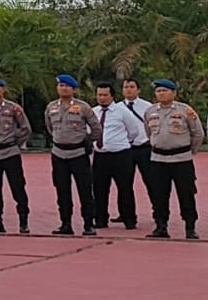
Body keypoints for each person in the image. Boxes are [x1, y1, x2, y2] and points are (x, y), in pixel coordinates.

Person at [142, 79, 204, 239]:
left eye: (165, 90)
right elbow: (149, 133)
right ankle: (161, 226)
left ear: (174, 92)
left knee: (186, 194)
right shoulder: (150, 111)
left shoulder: (185, 110)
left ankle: (190, 227)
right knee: (159, 195)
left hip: (181, 159)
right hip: (158, 159)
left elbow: (198, 134)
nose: (161, 93)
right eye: (158, 91)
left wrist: (190, 151)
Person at [44, 74, 102, 236]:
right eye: (61, 85)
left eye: (67, 86)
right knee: (62, 190)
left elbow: (96, 128)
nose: (63, 88)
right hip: (59, 153)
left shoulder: (83, 107)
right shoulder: (51, 107)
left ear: (74, 89)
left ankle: (88, 224)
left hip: (78, 153)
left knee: (84, 190)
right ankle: (65, 223)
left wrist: (87, 141)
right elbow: (50, 127)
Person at [90, 82, 147, 230]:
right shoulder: (93, 112)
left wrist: (120, 142)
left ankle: (129, 219)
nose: (101, 98)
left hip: (120, 155)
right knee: (99, 188)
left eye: (105, 95)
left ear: (112, 96)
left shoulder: (122, 111)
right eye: (99, 95)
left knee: (125, 188)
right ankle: (100, 219)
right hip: (101, 155)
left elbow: (133, 131)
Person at [0, 77, 32, 234]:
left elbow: (25, 129)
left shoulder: (13, 108)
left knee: (17, 187)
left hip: (10, 152)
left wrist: (14, 142)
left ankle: (23, 221)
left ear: (3, 89)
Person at [120, 77, 155, 218]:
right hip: (126, 149)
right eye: (126, 87)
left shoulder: (148, 106)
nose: (128, 89)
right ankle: (126, 213)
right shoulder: (117, 108)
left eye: (131, 87)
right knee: (124, 183)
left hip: (144, 148)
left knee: (151, 181)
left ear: (138, 89)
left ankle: (157, 210)